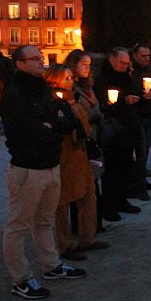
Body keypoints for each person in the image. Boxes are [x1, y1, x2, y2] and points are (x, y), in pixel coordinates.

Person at [0, 45, 85, 299]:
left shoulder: (45, 90)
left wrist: (54, 125)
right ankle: (21, 279)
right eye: (34, 59)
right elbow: (28, 132)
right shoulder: (14, 95)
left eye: (40, 57)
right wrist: (53, 127)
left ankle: (51, 265)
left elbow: (68, 120)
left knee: (45, 220)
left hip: (50, 164)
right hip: (28, 167)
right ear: (20, 64)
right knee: (19, 225)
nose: (41, 62)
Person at [44, 65, 106, 261]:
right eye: (68, 78)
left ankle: (88, 237)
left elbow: (84, 125)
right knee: (62, 202)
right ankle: (65, 244)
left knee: (89, 196)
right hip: (65, 157)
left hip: (81, 155)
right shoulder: (53, 102)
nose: (72, 81)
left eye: (71, 77)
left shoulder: (73, 99)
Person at [94, 47, 144, 222]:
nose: (125, 66)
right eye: (122, 62)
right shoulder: (102, 79)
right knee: (111, 170)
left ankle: (121, 200)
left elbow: (135, 94)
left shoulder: (127, 77)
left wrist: (143, 95)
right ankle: (109, 205)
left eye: (127, 63)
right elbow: (104, 104)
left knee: (125, 167)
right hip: (112, 129)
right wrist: (124, 101)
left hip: (128, 128)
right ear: (112, 60)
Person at [64, 49, 105, 234]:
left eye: (89, 65)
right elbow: (74, 117)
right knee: (80, 187)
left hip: (93, 138)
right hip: (79, 142)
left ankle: (91, 228)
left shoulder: (88, 86)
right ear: (73, 65)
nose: (87, 69)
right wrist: (96, 112)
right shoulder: (71, 89)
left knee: (92, 185)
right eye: (83, 64)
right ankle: (80, 229)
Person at [130, 44, 151, 200]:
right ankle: (137, 183)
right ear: (135, 56)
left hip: (148, 113)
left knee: (145, 147)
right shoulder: (131, 72)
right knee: (138, 149)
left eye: (148, 55)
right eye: (143, 56)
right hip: (136, 115)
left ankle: (141, 178)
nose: (147, 58)